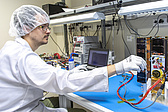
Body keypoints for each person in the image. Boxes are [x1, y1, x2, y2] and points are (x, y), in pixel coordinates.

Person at [0, 5, 146, 112]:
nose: (49, 31)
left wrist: (72, 73)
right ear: (26, 28)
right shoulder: (23, 57)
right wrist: (118, 67)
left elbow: (48, 76)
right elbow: (62, 82)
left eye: (48, 26)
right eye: (43, 27)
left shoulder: (12, 49)